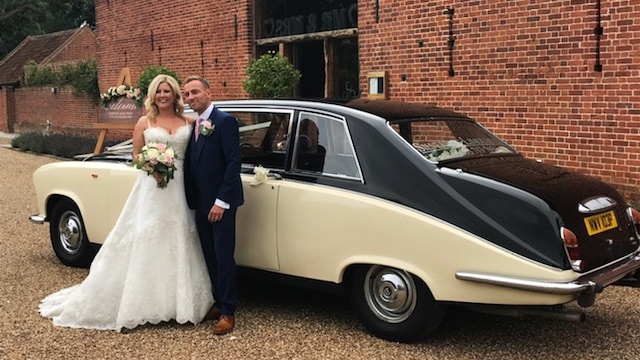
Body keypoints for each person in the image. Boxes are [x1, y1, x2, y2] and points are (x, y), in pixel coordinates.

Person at [38, 75, 214, 331]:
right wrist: (152, 166)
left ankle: (180, 302)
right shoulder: (145, 121)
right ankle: (145, 302)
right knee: (148, 235)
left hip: (182, 189)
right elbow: (136, 155)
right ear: (153, 95)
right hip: (153, 188)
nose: (163, 95)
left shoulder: (189, 121)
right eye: (159, 91)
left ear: (176, 95)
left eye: (168, 91)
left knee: (181, 236)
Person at [182, 75, 244, 335]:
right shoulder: (195, 124)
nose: (190, 97)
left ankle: (228, 311)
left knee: (222, 255)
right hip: (201, 202)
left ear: (209, 93)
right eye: (186, 94)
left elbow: (233, 163)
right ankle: (218, 302)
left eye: (195, 92)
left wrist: (221, 201)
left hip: (221, 203)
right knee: (209, 254)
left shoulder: (224, 121)